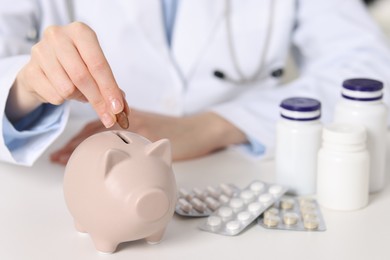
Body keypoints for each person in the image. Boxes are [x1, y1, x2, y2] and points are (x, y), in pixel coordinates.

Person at [1, 0, 390, 166]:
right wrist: (24, 88)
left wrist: (218, 125)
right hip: (68, 166)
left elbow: (369, 68)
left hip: (239, 166)